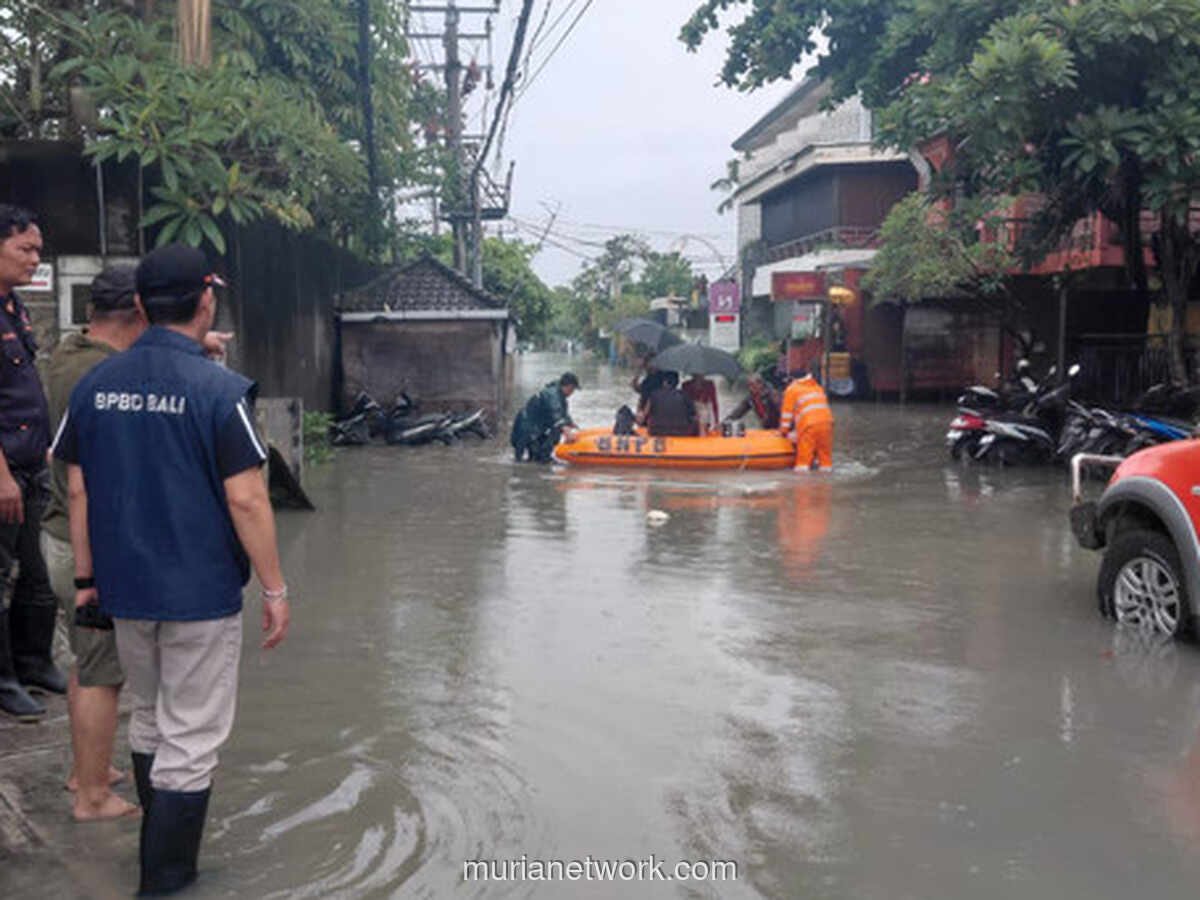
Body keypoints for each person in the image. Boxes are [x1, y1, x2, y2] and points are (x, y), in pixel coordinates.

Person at [52, 243, 289, 895]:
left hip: (124, 589)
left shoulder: (95, 386)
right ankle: (165, 882)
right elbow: (248, 499)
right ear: (206, 301)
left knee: (152, 718)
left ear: (139, 304)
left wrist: (87, 582)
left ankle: (156, 860)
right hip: (199, 594)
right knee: (192, 739)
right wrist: (275, 589)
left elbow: (78, 489)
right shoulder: (220, 391)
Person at [0, 205, 67, 722]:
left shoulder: (15, 306)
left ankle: (35, 662)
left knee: (38, 575)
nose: (35, 259)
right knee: (3, 576)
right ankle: (4, 679)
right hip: (4, 472)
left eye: (38, 250)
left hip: (31, 464)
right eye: (25, 248)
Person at [510, 371, 580, 462]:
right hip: (526, 428)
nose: (572, 393)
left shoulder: (559, 394)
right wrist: (567, 431)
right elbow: (556, 415)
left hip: (537, 427)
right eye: (573, 390)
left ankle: (543, 459)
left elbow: (563, 413)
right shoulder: (553, 395)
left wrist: (571, 424)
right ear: (569, 386)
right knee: (526, 459)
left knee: (540, 457)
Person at [780, 368, 834, 472]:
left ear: (792, 379)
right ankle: (825, 478)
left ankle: (804, 481)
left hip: (809, 426)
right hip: (827, 424)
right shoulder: (817, 387)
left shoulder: (792, 389)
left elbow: (786, 414)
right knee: (825, 462)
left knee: (803, 464)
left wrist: (784, 432)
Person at [642, 370, 698, 437]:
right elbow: (694, 415)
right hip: (682, 431)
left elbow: (645, 415)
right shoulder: (684, 395)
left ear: (664, 382)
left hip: (657, 431)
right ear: (677, 382)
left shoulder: (653, 394)